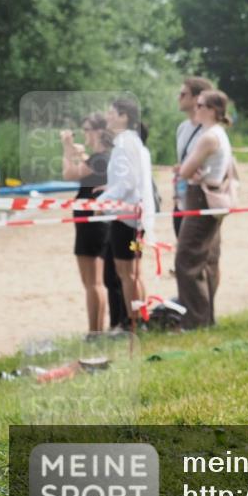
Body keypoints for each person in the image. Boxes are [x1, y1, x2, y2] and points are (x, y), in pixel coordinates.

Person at [176, 89, 234, 328]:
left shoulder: (209, 136)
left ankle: (195, 321)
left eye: (200, 105)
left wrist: (189, 170)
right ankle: (204, 319)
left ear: (212, 110)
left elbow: (185, 171)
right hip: (208, 195)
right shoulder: (218, 134)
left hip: (201, 198)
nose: (195, 109)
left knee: (187, 261)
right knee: (205, 260)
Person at [97, 97, 156, 327]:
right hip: (132, 214)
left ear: (124, 117)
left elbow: (128, 183)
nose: (107, 117)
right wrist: (109, 190)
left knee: (127, 273)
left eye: (111, 113)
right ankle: (136, 319)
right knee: (131, 273)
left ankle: (134, 321)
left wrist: (102, 201)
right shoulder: (129, 141)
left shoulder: (125, 142)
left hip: (127, 216)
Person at [61, 113, 115, 333]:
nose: (85, 134)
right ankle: (96, 330)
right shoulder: (101, 157)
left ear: (99, 132)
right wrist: (78, 153)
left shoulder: (101, 158)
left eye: (87, 130)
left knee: (93, 282)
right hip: (92, 219)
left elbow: (69, 174)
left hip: (93, 221)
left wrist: (66, 148)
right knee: (93, 281)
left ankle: (95, 332)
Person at [173, 77, 212, 238]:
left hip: (200, 197)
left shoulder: (208, 131)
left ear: (197, 98)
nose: (179, 98)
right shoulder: (182, 128)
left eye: (183, 94)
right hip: (181, 197)